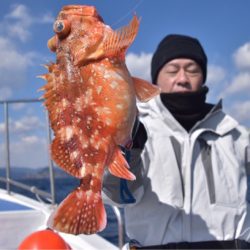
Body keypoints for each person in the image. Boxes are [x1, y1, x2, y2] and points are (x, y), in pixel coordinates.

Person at [102, 34, 250, 249]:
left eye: (192, 70)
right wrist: (130, 150)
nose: (182, 78)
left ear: (203, 77)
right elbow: (115, 196)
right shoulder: (135, 126)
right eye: (172, 70)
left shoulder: (236, 134)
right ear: (155, 78)